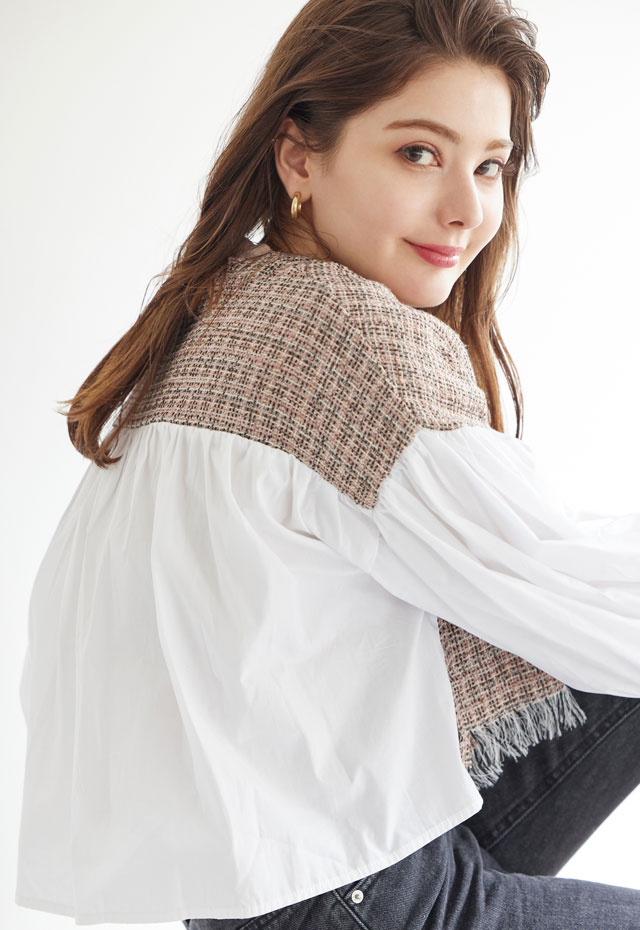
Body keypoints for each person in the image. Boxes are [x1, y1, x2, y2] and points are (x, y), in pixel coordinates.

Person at [14, 0, 640, 927]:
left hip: (261, 885)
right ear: (299, 155)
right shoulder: (347, 339)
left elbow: (556, 576)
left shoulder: (227, 306)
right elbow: (545, 575)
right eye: (418, 153)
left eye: (490, 166)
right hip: (348, 901)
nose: (466, 210)